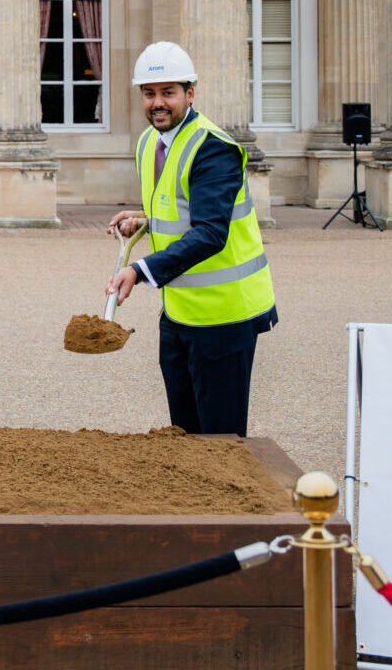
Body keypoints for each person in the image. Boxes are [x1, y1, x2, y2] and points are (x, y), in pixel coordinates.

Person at [106, 41, 277, 437]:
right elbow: (179, 207)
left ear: (190, 94)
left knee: (221, 442)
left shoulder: (213, 148)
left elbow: (211, 232)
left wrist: (140, 269)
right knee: (184, 439)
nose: (157, 103)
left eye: (168, 92)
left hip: (225, 316)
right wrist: (144, 219)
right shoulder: (148, 142)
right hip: (178, 313)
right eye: (149, 93)